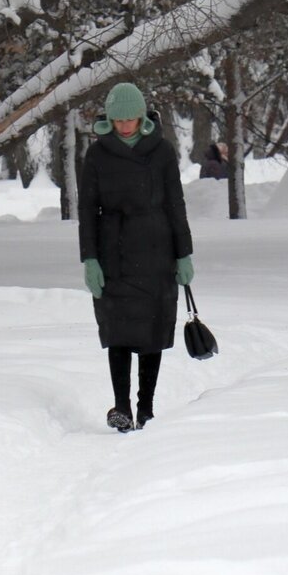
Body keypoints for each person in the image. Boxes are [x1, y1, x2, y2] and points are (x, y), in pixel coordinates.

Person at [78, 82, 194, 433]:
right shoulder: (97, 155)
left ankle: (146, 408)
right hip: (114, 254)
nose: (126, 126)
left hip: (158, 251)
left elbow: (176, 205)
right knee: (118, 333)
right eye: (119, 120)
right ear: (110, 120)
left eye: (131, 119)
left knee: (151, 332)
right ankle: (122, 407)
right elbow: (87, 210)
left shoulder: (161, 151)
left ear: (142, 117)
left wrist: (184, 254)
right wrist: (90, 259)